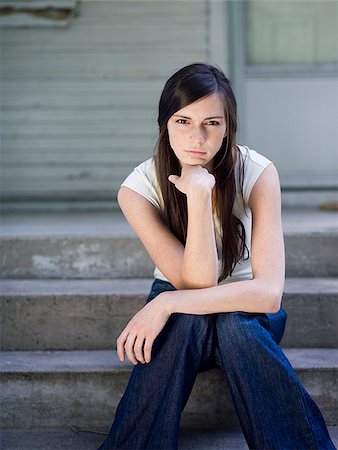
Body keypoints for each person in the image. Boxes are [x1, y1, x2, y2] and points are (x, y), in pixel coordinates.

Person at [97, 63, 335, 450]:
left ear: (228, 127)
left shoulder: (257, 174)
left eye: (212, 123)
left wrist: (167, 303)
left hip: (248, 309)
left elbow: (269, 293)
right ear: (164, 124)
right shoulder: (137, 190)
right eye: (183, 121)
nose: (198, 137)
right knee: (189, 322)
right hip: (183, 304)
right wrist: (198, 196)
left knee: (234, 327)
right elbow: (198, 283)